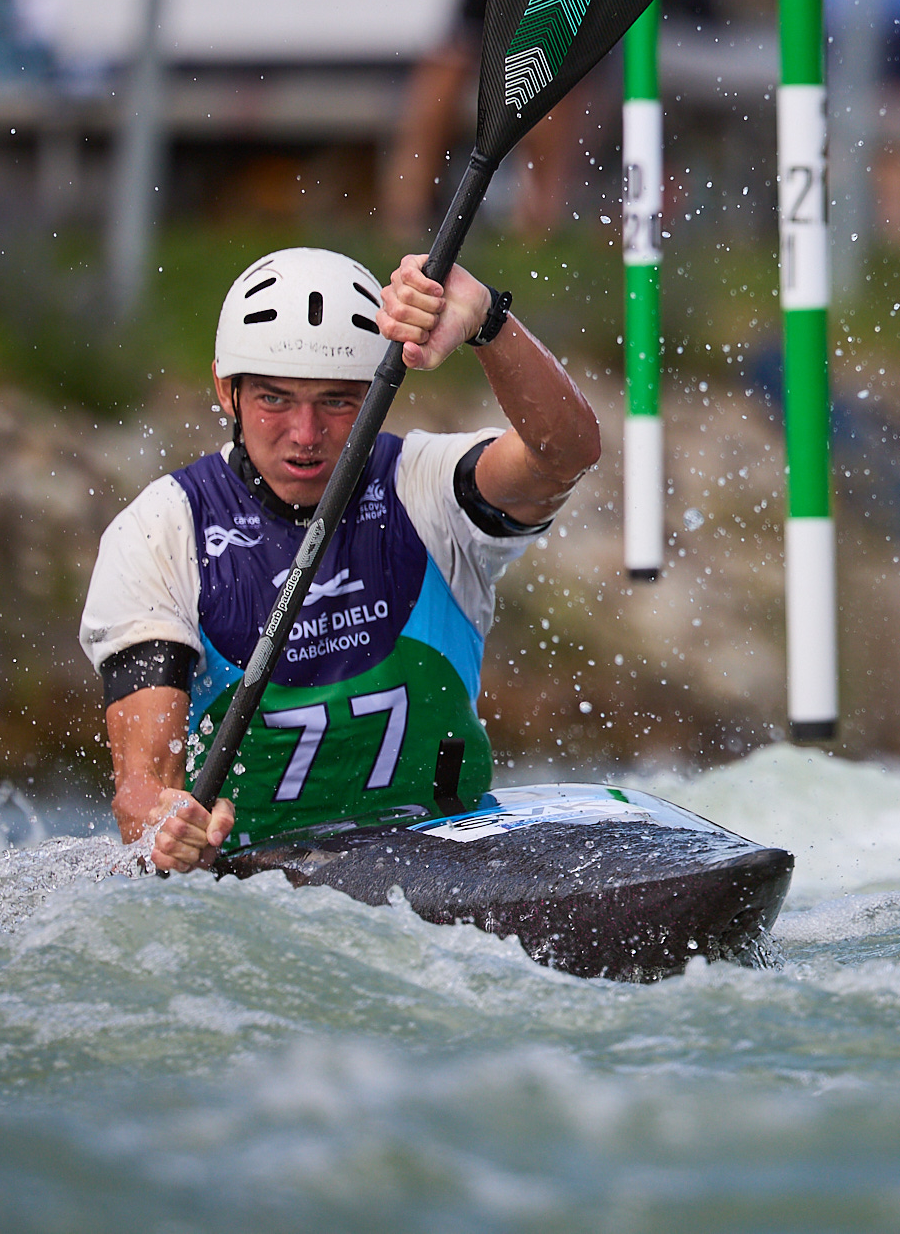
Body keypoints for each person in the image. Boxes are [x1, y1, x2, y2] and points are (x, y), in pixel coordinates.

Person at [79, 246, 599, 873]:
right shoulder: (161, 531)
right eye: (274, 399)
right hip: (254, 882)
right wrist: (169, 827)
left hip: (446, 860)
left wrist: (489, 321)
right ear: (227, 389)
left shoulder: (424, 488)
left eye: (337, 401)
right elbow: (141, 786)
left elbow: (564, 453)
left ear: (378, 394)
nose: (305, 433)